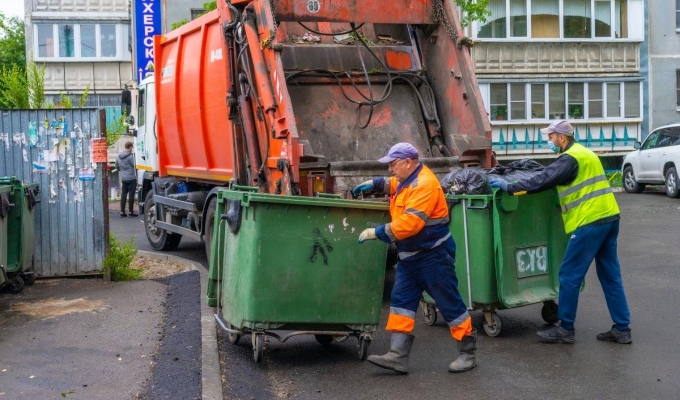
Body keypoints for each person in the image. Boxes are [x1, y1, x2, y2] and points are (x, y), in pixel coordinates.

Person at [489, 120, 631, 344]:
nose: (549, 141)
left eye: (551, 137)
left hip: (590, 221)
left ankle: (565, 329)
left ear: (562, 138)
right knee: (610, 275)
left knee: (569, 275)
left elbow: (541, 180)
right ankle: (622, 329)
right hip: (610, 217)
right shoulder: (586, 153)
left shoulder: (569, 159)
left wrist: (509, 187)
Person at [353, 142, 477, 374]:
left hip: (433, 256)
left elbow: (410, 224)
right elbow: (397, 185)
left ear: (408, 162)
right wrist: (376, 184)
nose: (390, 170)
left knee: (449, 304)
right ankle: (397, 356)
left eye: (393, 164)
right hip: (411, 257)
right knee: (401, 302)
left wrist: (376, 232)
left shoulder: (425, 186)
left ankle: (468, 353)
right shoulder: (409, 178)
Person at [116, 141, 138, 217]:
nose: (132, 149)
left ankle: (122, 212)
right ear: (130, 147)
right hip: (131, 178)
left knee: (123, 195)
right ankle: (131, 212)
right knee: (131, 195)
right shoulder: (130, 156)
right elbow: (134, 166)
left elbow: (117, 166)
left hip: (123, 178)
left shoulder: (118, 156)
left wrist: (122, 171)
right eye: (132, 147)